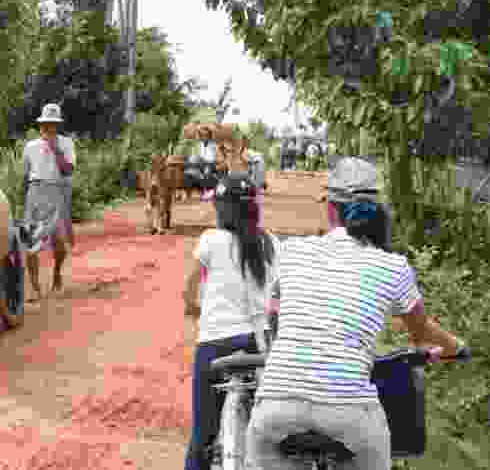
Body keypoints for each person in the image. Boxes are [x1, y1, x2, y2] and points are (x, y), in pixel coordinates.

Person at [245, 157, 467, 470]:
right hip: (348, 411)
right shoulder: (394, 267)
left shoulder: (293, 251)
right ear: (378, 211)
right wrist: (455, 346)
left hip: (275, 407)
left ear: (330, 208)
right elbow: (422, 333)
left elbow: (275, 318)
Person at [182, 172, 280, 470]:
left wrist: (194, 308)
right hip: (259, 345)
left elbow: (188, 291)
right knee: (269, 434)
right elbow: (279, 296)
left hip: (216, 345)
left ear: (221, 209)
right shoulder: (272, 243)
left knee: (202, 437)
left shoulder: (210, 240)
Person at [23, 103, 76, 301]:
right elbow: (26, 175)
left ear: (58, 125)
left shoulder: (66, 144)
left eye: (52, 124)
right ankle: (34, 286)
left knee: (59, 243)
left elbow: (68, 171)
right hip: (35, 191)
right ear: (40, 125)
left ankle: (56, 273)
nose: (48, 128)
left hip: (57, 191)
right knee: (31, 242)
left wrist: (55, 149)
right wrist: (26, 198)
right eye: (45, 124)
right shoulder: (30, 147)